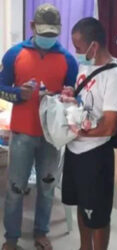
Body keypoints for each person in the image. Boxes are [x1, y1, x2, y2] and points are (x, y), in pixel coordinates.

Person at [0, 4, 78, 250]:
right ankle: (11, 238)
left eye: (52, 35)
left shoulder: (68, 60)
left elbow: (73, 96)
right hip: (22, 133)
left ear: (59, 30)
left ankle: (41, 232)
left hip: (51, 137)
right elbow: (0, 87)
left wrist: (67, 96)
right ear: (32, 27)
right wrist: (16, 94)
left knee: (46, 188)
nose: (48, 39)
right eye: (43, 34)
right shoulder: (14, 54)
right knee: (15, 188)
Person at [61, 17, 117, 250]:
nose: (76, 51)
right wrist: (71, 95)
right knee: (81, 204)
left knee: (97, 213)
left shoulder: (114, 76)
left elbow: (110, 126)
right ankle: (84, 247)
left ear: (94, 46)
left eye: (79, 47)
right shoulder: (85, 66)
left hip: (95, 154)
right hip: (74, 150)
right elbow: (86, 101)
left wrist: (78, 133)